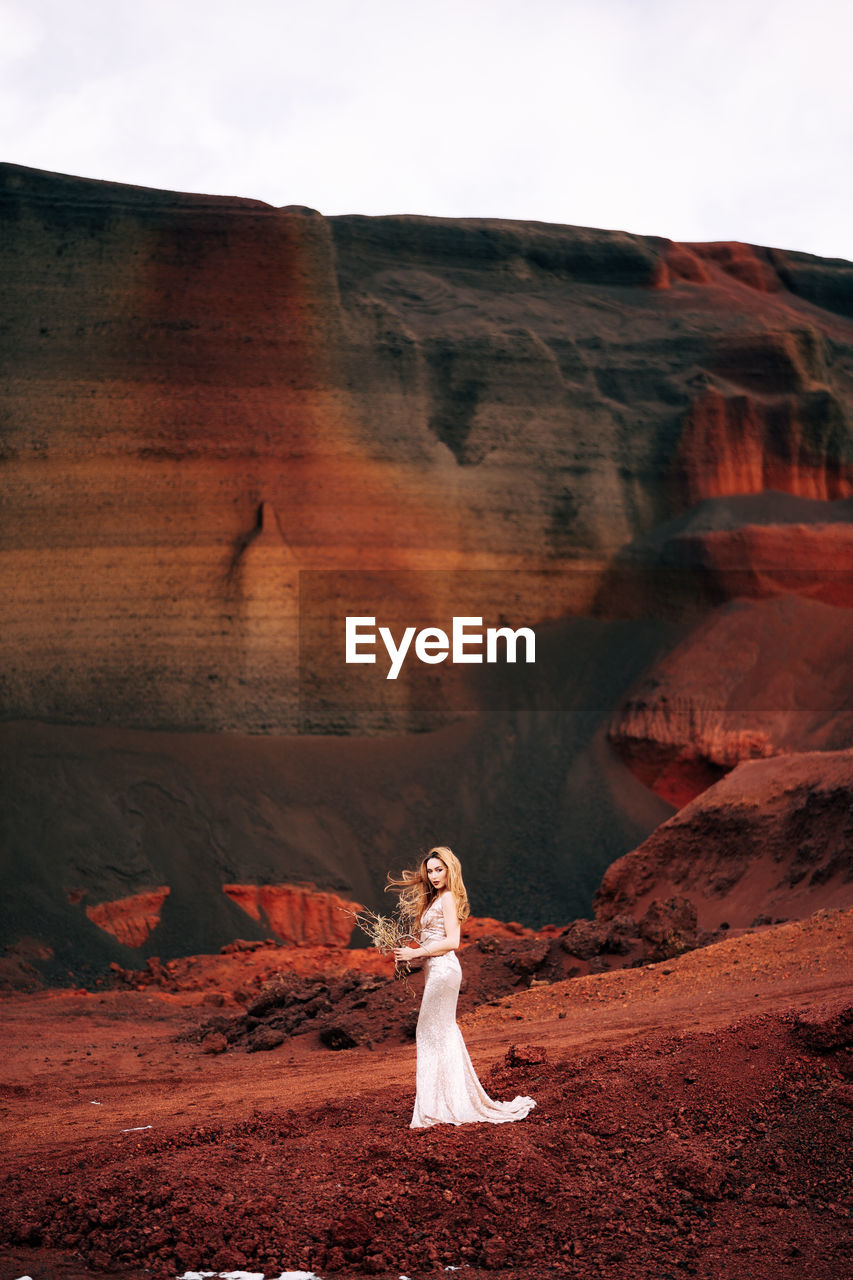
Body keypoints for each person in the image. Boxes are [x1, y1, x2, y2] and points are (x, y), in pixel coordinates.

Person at [390, 845, 536, 1129]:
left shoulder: (447, 898)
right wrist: (406, 950)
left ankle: (443, 1104)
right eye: (430, 870)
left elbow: (453, 942)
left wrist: (414, 954)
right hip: (437, 970)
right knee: (441, 1032)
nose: (433, 875)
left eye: (439, 869)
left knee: (432, 1031)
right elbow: (433, 939)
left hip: (444, 969)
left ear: (449, 870)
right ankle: (446, 1101)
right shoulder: (436, 899)